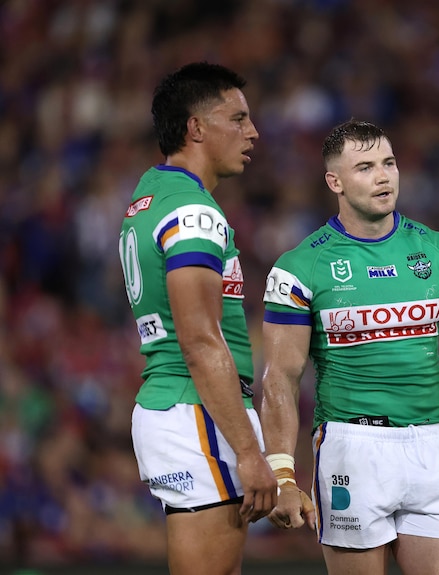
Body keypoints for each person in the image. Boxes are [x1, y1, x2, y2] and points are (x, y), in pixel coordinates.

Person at [259, 119, 439, 575]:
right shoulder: (300, 267)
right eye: (365, 167)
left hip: (434, 446)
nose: (383, 176)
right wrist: (281, 472)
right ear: (334, 181)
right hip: (351, 450)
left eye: (389, 163)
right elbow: (281, 376)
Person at [118, 62, 278, 575]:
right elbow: (200, 342)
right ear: (196, 128)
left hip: (177, 406)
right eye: (238, 118)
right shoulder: (194, 213)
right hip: (196, 409)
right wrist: (251, 453)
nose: (252, 132)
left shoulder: (148, 196)